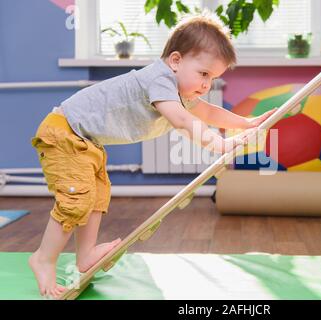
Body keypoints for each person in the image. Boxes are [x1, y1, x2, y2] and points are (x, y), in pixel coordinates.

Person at [28, 11, 276, 299]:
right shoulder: (159, 78)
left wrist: (245, 123)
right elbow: (182, 121)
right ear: (175, 60)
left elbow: (207, 111)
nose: (207, 85)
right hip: (64, 134)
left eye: (214, 78)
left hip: (86, 140)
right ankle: (43, 259)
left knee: (96, 195)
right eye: (204, 74)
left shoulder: (177, 87)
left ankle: (85, 255)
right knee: (77, 199)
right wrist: (219, 145)